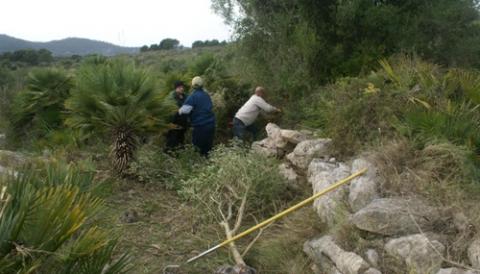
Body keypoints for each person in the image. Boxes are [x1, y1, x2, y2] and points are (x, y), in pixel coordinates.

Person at [178, 76, 216, 156]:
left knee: (198, 149)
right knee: (208, 148)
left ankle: (200, 165)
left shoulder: (193, 96)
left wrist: (177, 110)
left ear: (193, 85)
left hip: (200, 126)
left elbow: (183, 111)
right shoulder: (206, 95)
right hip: (211, 125)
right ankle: (208, 164)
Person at [165, 81, 189, 152]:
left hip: (183, 123)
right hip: (174, 123)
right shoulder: (171, 97)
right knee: (172, 142)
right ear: (176, 88)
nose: (182, 89)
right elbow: (170, 109)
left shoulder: (185, 96)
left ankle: (179, 157)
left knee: (181, 141)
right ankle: (168, 157)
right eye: (179, 87)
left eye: (182, 87)